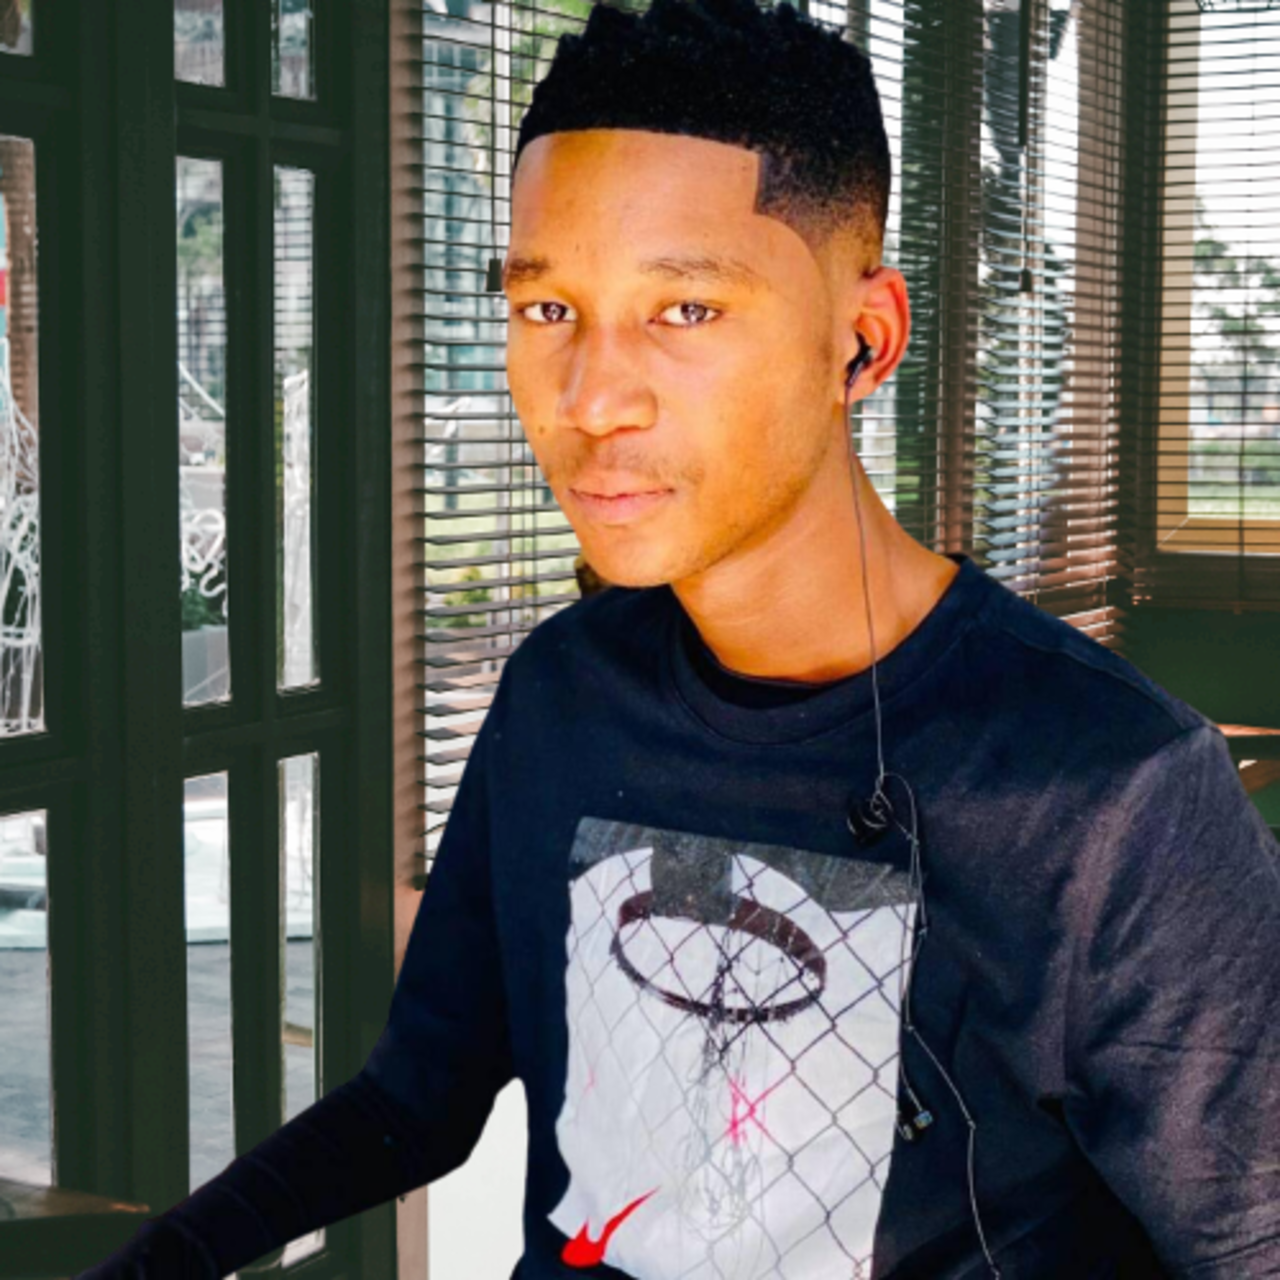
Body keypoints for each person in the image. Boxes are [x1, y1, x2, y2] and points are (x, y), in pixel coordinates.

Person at [80, 0, 1280, 1275]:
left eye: (686, 309)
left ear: (863, 338)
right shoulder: (562, 690)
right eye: (548, 309)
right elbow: (412, 1096)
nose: (591, 398)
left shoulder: (1111, 793)